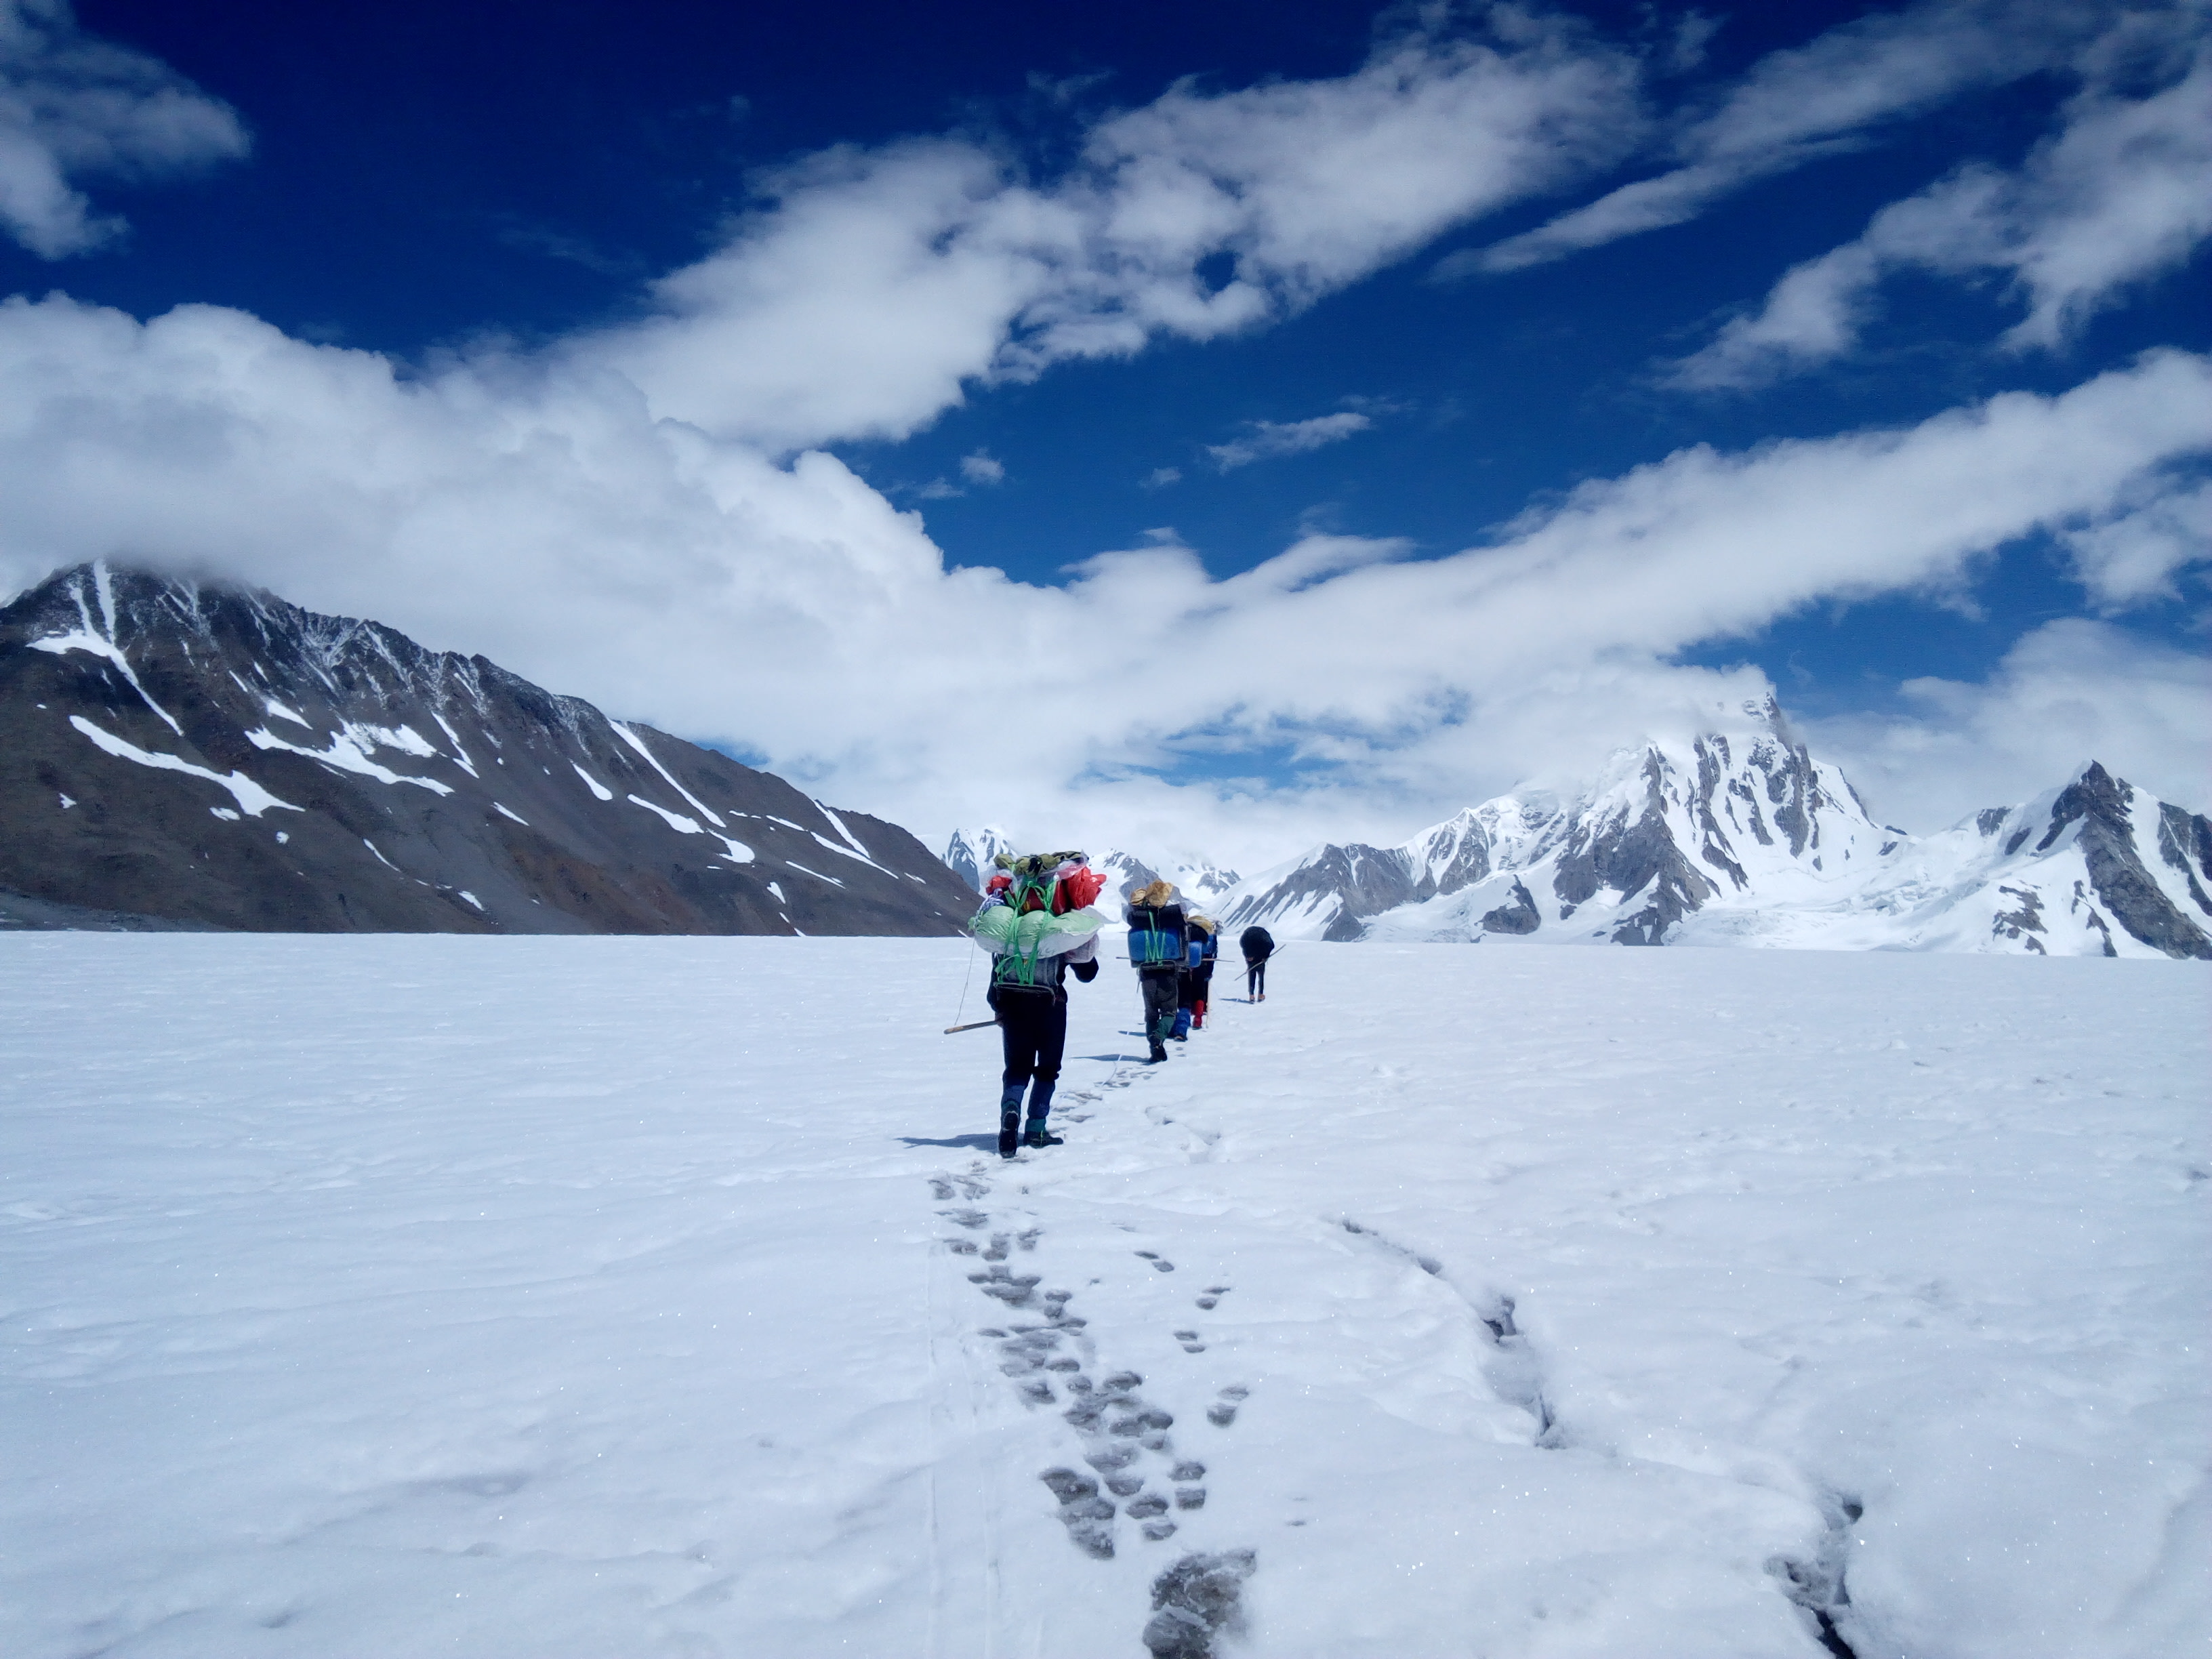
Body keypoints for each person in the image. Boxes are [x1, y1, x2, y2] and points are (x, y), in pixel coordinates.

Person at [975, 853, 1106, 1158]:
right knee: (1047, 1071)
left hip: (1011, 1003)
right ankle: (1036, 1130)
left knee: (1016, 1069)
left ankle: (1010, 1113)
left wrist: (998, 1006)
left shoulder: (1010, 926)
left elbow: (996, 970)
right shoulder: (1059, 926)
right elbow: (1088, 973)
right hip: (1050, 1006)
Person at [1124, 879, 1187, 1063]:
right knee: (1169, 1012)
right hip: (1169, 970)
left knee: (1151, 1013)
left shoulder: (1138, 918)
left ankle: (1154, 1049)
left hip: (1146, 971)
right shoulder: (1171, 917)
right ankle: (1158, 1038)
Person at [1176, 915, 1218, 1036]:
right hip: (1202, 965)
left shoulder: (1184, 932)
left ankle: (1183, 1020)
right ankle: (1198, 1019)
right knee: (1199, 992)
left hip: (1184, 965)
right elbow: (1212, 954)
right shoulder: (1207, 935)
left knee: (1184, 993)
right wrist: (1209, 973)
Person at [1240, 924, 1274, 1001]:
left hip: (1252, 958)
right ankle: (1260, 994)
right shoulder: (1264, 935)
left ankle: (1252, 995)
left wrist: (1248, 956)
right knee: (1261, 977)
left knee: (1252, 976)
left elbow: (1243, 944)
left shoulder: (1248, 934)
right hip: (1260, 958)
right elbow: (1271, 945)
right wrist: (1265, 957)